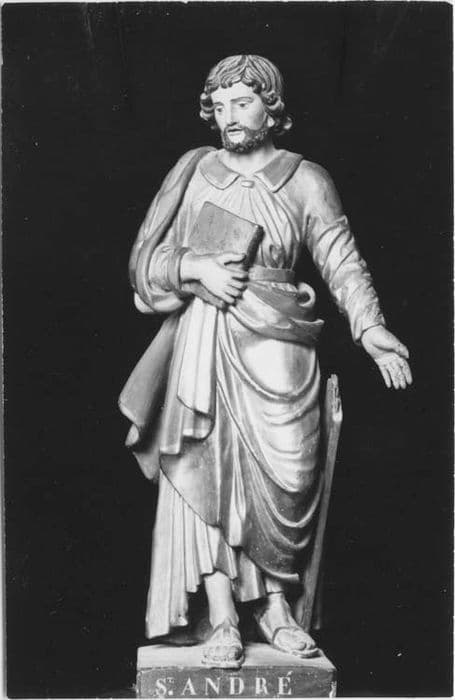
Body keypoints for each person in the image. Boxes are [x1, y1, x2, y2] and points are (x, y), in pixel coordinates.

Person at [120, 54, 412, 669]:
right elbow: (147, 261)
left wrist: (372, 328)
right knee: (203, 468)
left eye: (243, 102)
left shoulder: (306, 179)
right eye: (220, 105)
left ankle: (276, 608)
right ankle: (222, 616)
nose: (229, 116)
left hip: (281, 342)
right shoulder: (194, 171)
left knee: (287, 473)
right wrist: (195, 267)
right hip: (205, 336)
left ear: (271, 108)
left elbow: (340, 258)